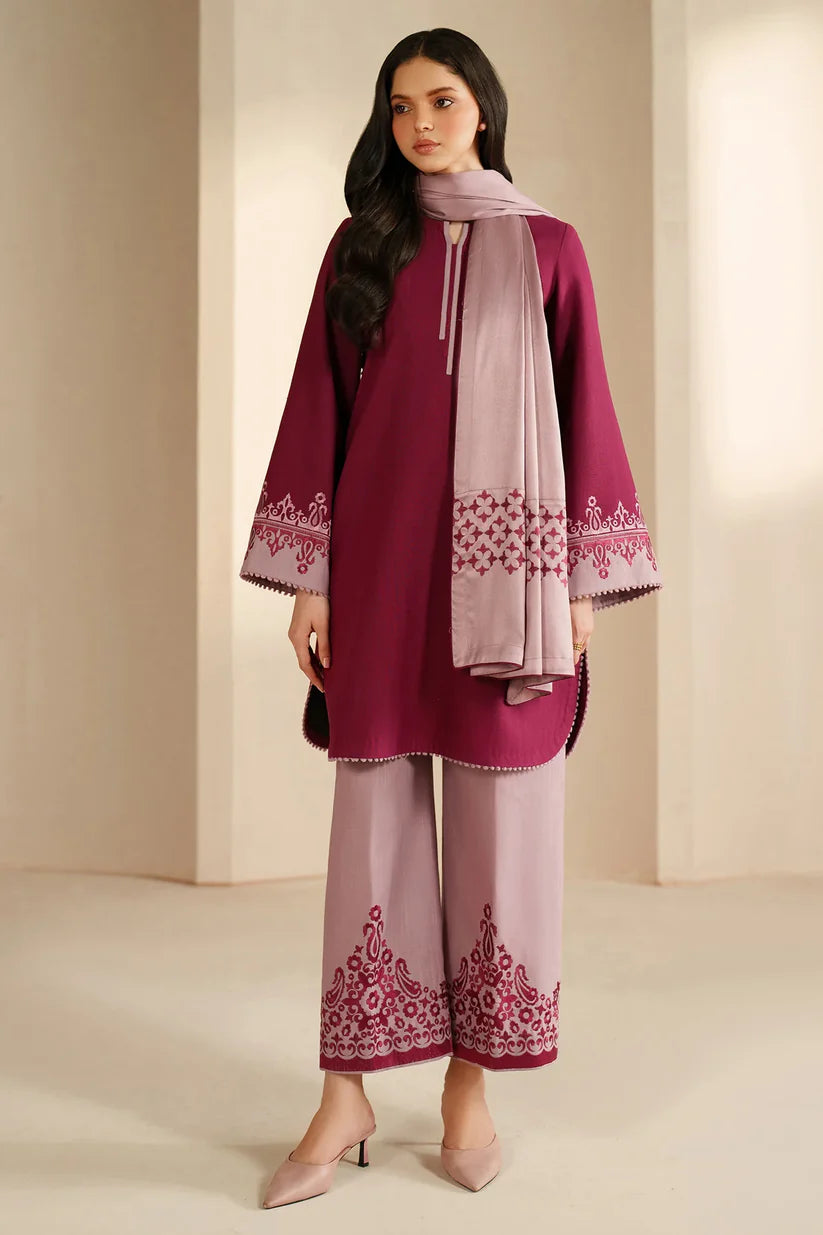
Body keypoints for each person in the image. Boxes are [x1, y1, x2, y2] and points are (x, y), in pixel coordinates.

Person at [239, 27, 663, 1208]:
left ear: (483, 109)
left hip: (508, 579)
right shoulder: (363, 244)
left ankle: (468, 1089)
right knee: (369, 826)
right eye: (400, 106)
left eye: (440, 100)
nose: (419, 124)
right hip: (380, 573)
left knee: (503, 823)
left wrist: (577, 584)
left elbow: (585, 413)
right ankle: (345, 1090)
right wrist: (311, 577)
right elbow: (316, 405)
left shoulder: (549, 248)